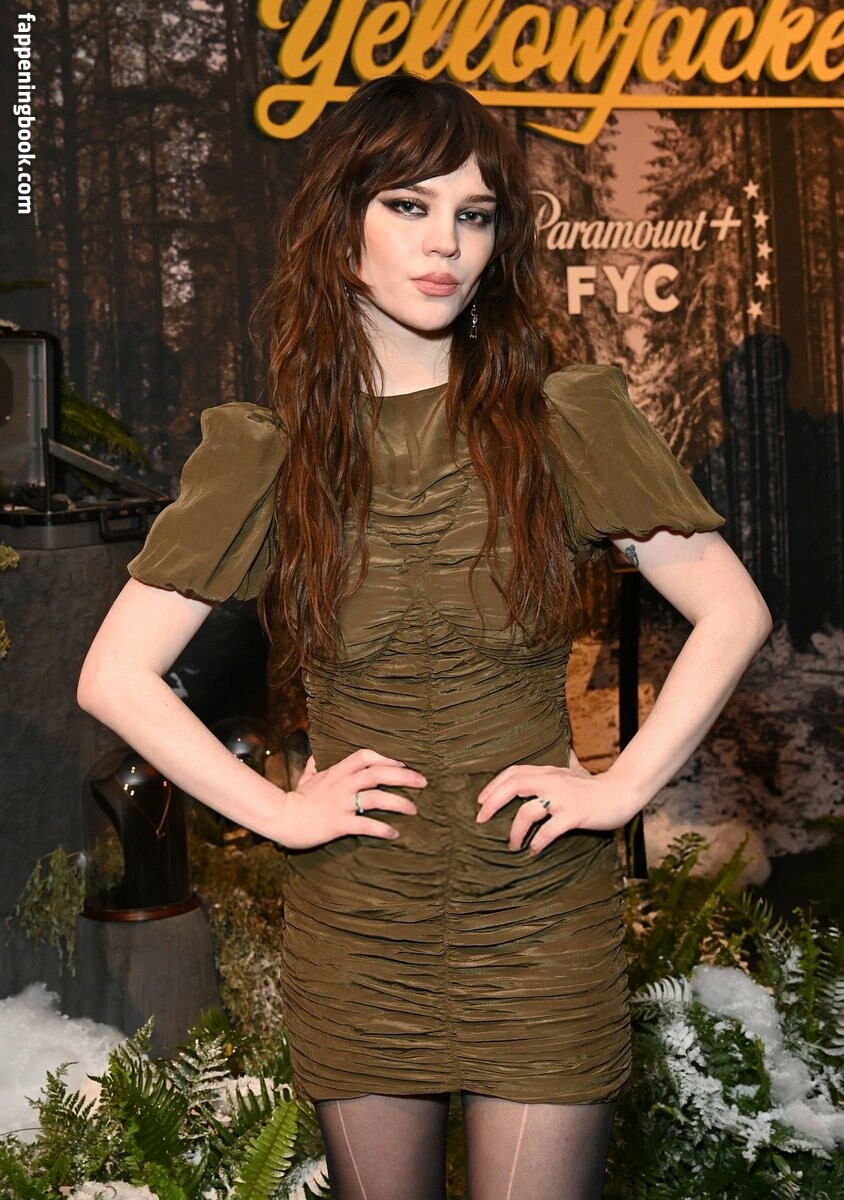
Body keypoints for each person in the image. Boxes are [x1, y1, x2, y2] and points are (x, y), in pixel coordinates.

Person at [77, 75, 772, 1200]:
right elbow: (116, 674)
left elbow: (733, 610)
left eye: (474, 213)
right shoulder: (272, 450)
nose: (447, 241)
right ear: (340, 220)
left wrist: (621, 786)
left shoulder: (564, 421)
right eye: (408, 204)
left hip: (539, 912)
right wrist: (280, 813)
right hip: (360, 919)